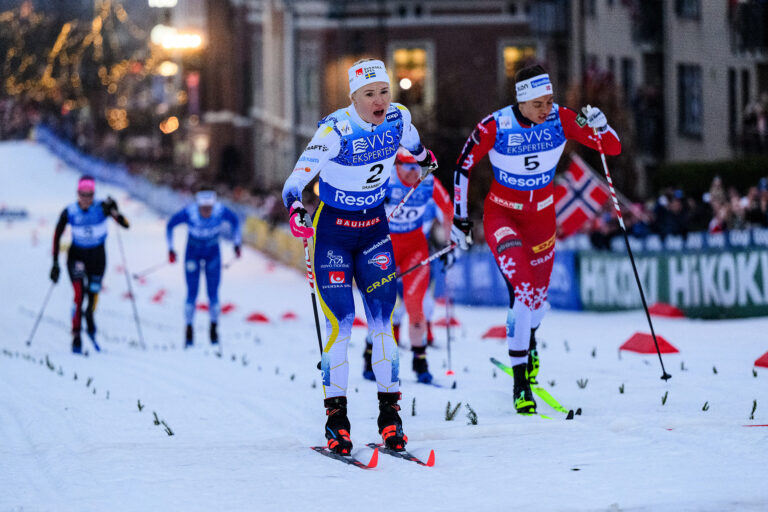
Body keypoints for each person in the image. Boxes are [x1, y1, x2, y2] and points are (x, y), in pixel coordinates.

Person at [282, 58, 437, 455]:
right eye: (369, 94)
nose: (379, 100)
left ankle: (391, 419)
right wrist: (295, 208)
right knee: (343, 326)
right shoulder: (335, 129)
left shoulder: (398, 118)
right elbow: (295, 181)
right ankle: (337, 422)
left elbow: (416, 146)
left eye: (384, 91)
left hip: (374, 232)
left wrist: (424, 159)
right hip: (333, 234)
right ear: (353, 97)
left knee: (383, 324)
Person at [451, 64, 621, 413]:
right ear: (522, 102)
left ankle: (528, 342)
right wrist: (459, 217)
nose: (547, 109)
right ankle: (520, 384)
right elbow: (463, 165)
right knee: (524, 292)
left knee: (538, 304)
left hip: (542, 219)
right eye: (539, 104)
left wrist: (603, 126)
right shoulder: (496, 125)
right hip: (503, 216)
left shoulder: (562, 118)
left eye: (550, 101)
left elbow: (611, 149)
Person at [362, 148, 452, 384]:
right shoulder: (383, 179)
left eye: (418, 167)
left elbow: (448, 208)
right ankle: (370, 355)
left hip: (415, 249)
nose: (414, 172)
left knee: (415, 307)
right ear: (397, 165)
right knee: (382, 307)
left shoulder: (428, 180)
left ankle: (420, 362)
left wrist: (449, 241)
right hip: (385, 248)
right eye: (408, 167)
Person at [50, 175, 130, 353]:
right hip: (77, 257)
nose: (86, 199)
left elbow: (125, 225)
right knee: (79, 295)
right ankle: (76, 335)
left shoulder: (102, 208)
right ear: (77, 194)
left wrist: (115, 210)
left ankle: (90, 316)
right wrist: (55, 263)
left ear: (94, 195)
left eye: (89, 195)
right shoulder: (69, 211)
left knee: (93, 294)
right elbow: (57, 235)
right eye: (82, 194)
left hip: (97, 258)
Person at [166, 188, 242, 347]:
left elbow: (235, 221)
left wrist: (237, 243)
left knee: (213, 293)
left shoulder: (220, 210)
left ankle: (214, 328)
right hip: (192, 251)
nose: (207, 211)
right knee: (192, 292)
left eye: (210, 208)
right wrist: (170, 249)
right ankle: (189, 329)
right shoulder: (190, 212)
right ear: (198, 205)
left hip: (213, 252)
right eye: (204, 208)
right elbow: (170, 225)